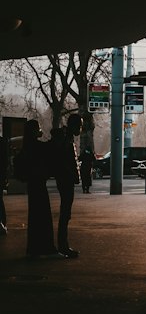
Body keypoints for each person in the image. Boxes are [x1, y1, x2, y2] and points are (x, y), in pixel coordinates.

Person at [16, 120, 58, 259]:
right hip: (39, 184)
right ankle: (46, 248)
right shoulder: (37, 146)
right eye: (38, 128)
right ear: (33, 131)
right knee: (43, 217)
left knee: (34, 217)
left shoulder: (27, 146)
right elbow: (50, 150)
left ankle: (34, 249)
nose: (40, 130)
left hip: (32, 185)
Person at [50, 111, 82, 258]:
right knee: (65, 213)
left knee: (65, 213)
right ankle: (63, 246)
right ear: (74, 125)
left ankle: (63, 245)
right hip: (65, 180)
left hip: (64, 179)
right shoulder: (66, 139)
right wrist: (71, 174)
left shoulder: (65, 137)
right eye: (80, 126)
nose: (80, 129)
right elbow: (63, 160)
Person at [78, 112, 96, 193]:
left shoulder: (84, 152)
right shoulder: (90, 152)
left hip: (84, 166)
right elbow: (93, 158)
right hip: (88, 166)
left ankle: (84, 189)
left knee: (84, 178)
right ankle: (87, 189)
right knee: (87, 178)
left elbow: (80, 158)